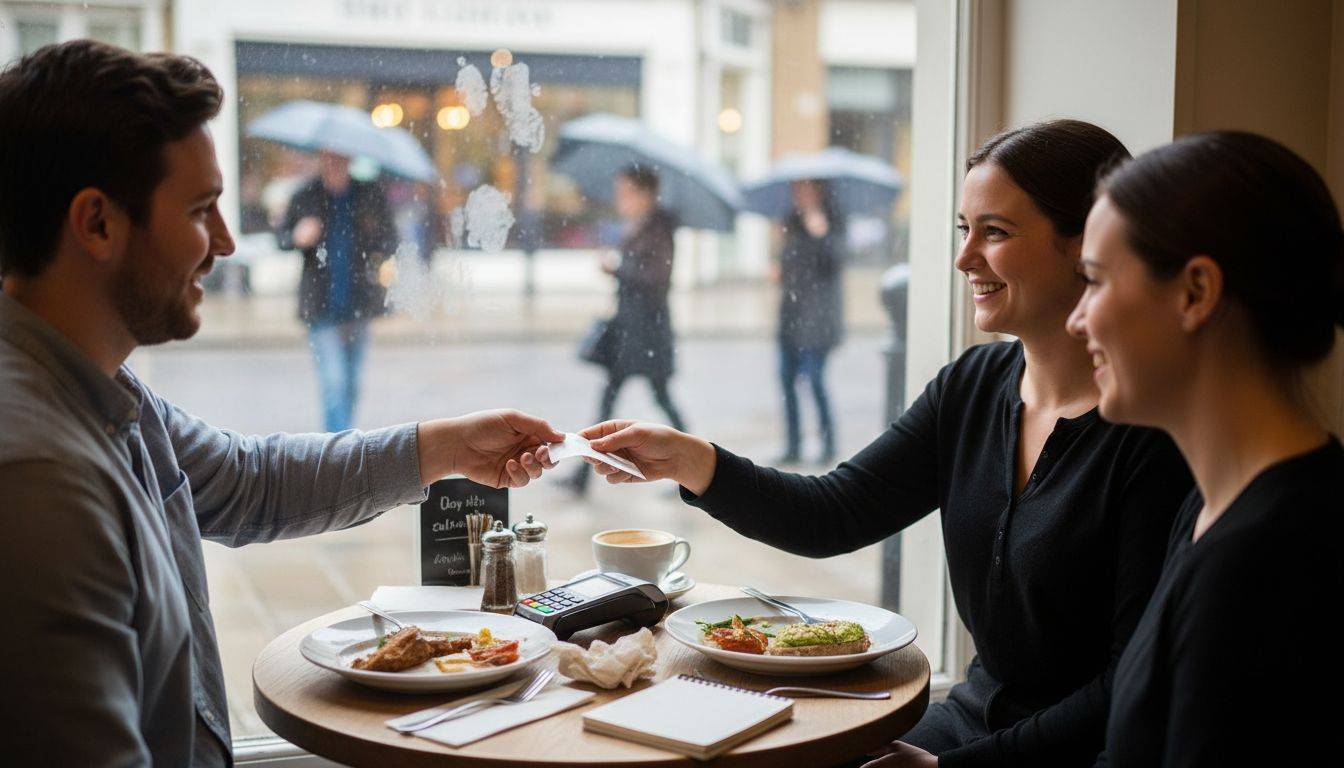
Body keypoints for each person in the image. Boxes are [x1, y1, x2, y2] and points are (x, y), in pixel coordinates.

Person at [559, 120, 1195, 767]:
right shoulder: (971, 387)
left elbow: (1129, 690)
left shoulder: (1153, 437)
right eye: (964, 229)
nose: (964, 258)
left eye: (995, 232)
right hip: (969, 721)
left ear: (1088, 244)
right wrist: (696, 463)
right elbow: (837, 512)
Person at [0, 40, 560, 767]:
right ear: (97, 223)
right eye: (200, 209)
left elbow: (246, 480)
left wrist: (445, 448)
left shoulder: (103, 390)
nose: (225, 243)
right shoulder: (40, 484)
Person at [1066, 131, 1343, 766]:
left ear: (1195, 292)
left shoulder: (1270, 562)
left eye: (1094, 281)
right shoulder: (1206, 507)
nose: (1077, 320)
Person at [563, 163, 687, 495]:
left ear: (645, 194)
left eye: (626, 193)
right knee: (610, 402)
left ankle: (697, 469)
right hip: (629, 330)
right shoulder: (639, 226)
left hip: (647, 333)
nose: (620, 199)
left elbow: (657, 280)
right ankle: (582, 475)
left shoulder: (659, 229)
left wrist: (617, 269)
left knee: (661, 399)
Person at [278, 148, 398, 432]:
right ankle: (338, 449)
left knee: (352, 385)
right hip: (321, 308)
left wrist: (373, 240)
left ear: (350, 157)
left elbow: (390, 239)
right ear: (321, 157)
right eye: (329, 156)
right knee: (334, 383)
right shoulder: (306, 195)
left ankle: (344, 440)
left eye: (340, 156)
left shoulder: (368, 194)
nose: (334, 162)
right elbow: (281, 238)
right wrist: (297, 236)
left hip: (359, 305)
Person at [775, 178, 845, 465]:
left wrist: (821, 233)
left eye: (806, 189)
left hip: (818, 321)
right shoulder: (790, 225)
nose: (801, 196)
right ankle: (793, 446)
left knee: (815, 381)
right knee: (786, 381)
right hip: (790, 318)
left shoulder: (832, 223)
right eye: (797, 190)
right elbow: (788, 265)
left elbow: (834, 263)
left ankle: (828, 445)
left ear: (819, 191)